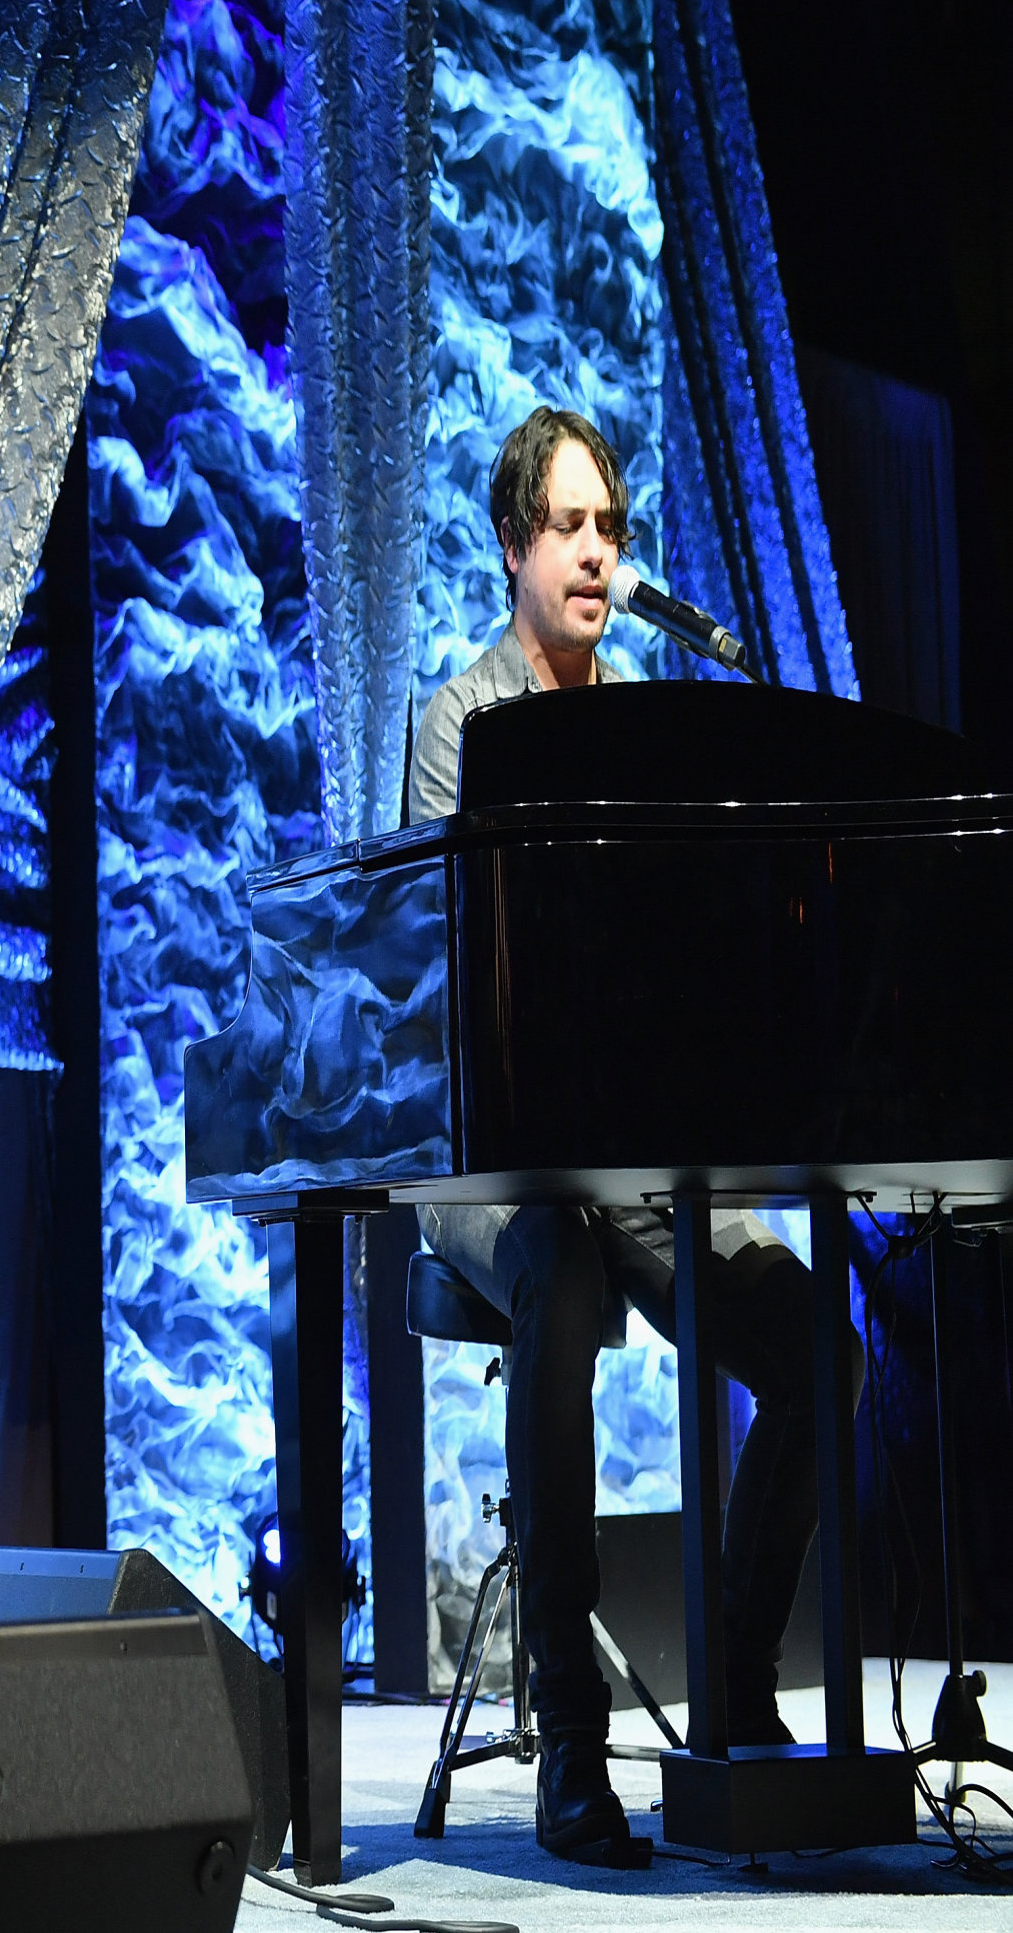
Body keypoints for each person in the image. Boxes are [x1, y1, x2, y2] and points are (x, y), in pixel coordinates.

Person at [407, 406, 859, 1867]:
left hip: (640, 1162)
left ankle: (731, 1669)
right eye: (570, 528)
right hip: (497, 1165)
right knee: (561, 1269)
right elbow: (441, 974)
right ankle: (572, 1747)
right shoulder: (457, 725)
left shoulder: (654, 722)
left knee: (820, 1354)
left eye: (611, 529)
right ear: (513, 547)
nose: (597, 554)